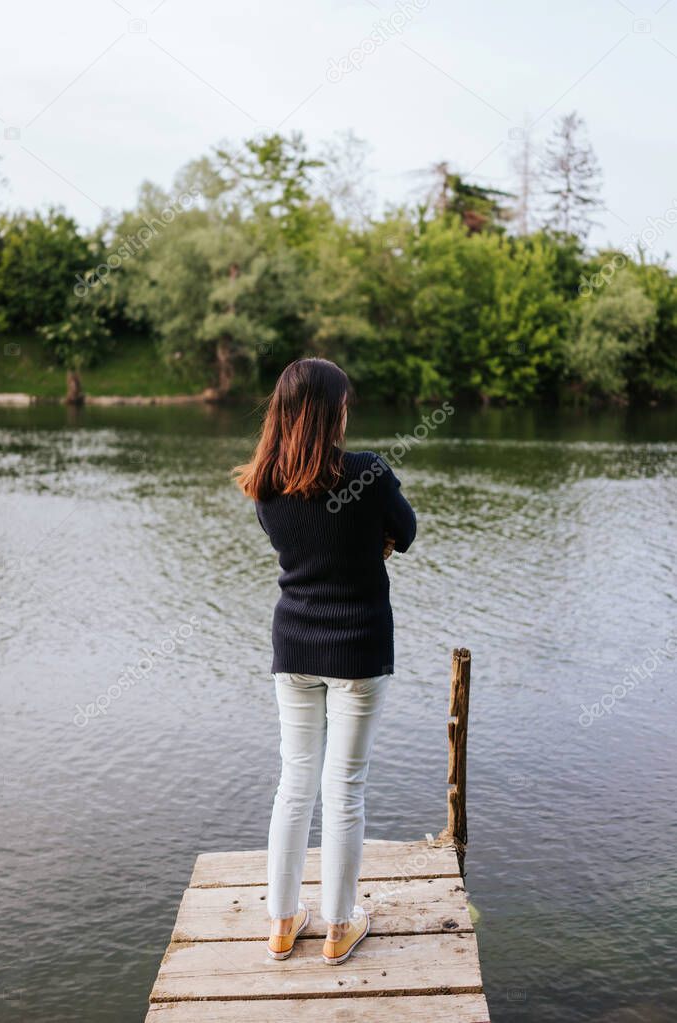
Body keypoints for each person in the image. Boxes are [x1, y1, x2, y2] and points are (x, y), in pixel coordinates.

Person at [233, 357, 416, 965]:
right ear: (330, 411)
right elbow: (406, 531)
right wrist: (375, 543)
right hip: (359, 650)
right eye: (344, 404)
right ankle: (339, 927)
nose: (347, 412)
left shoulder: (265, 483)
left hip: (295, 650)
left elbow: (307, 544)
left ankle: (282, 924)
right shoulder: (368, 472)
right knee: (344, 790)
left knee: (294, 784)